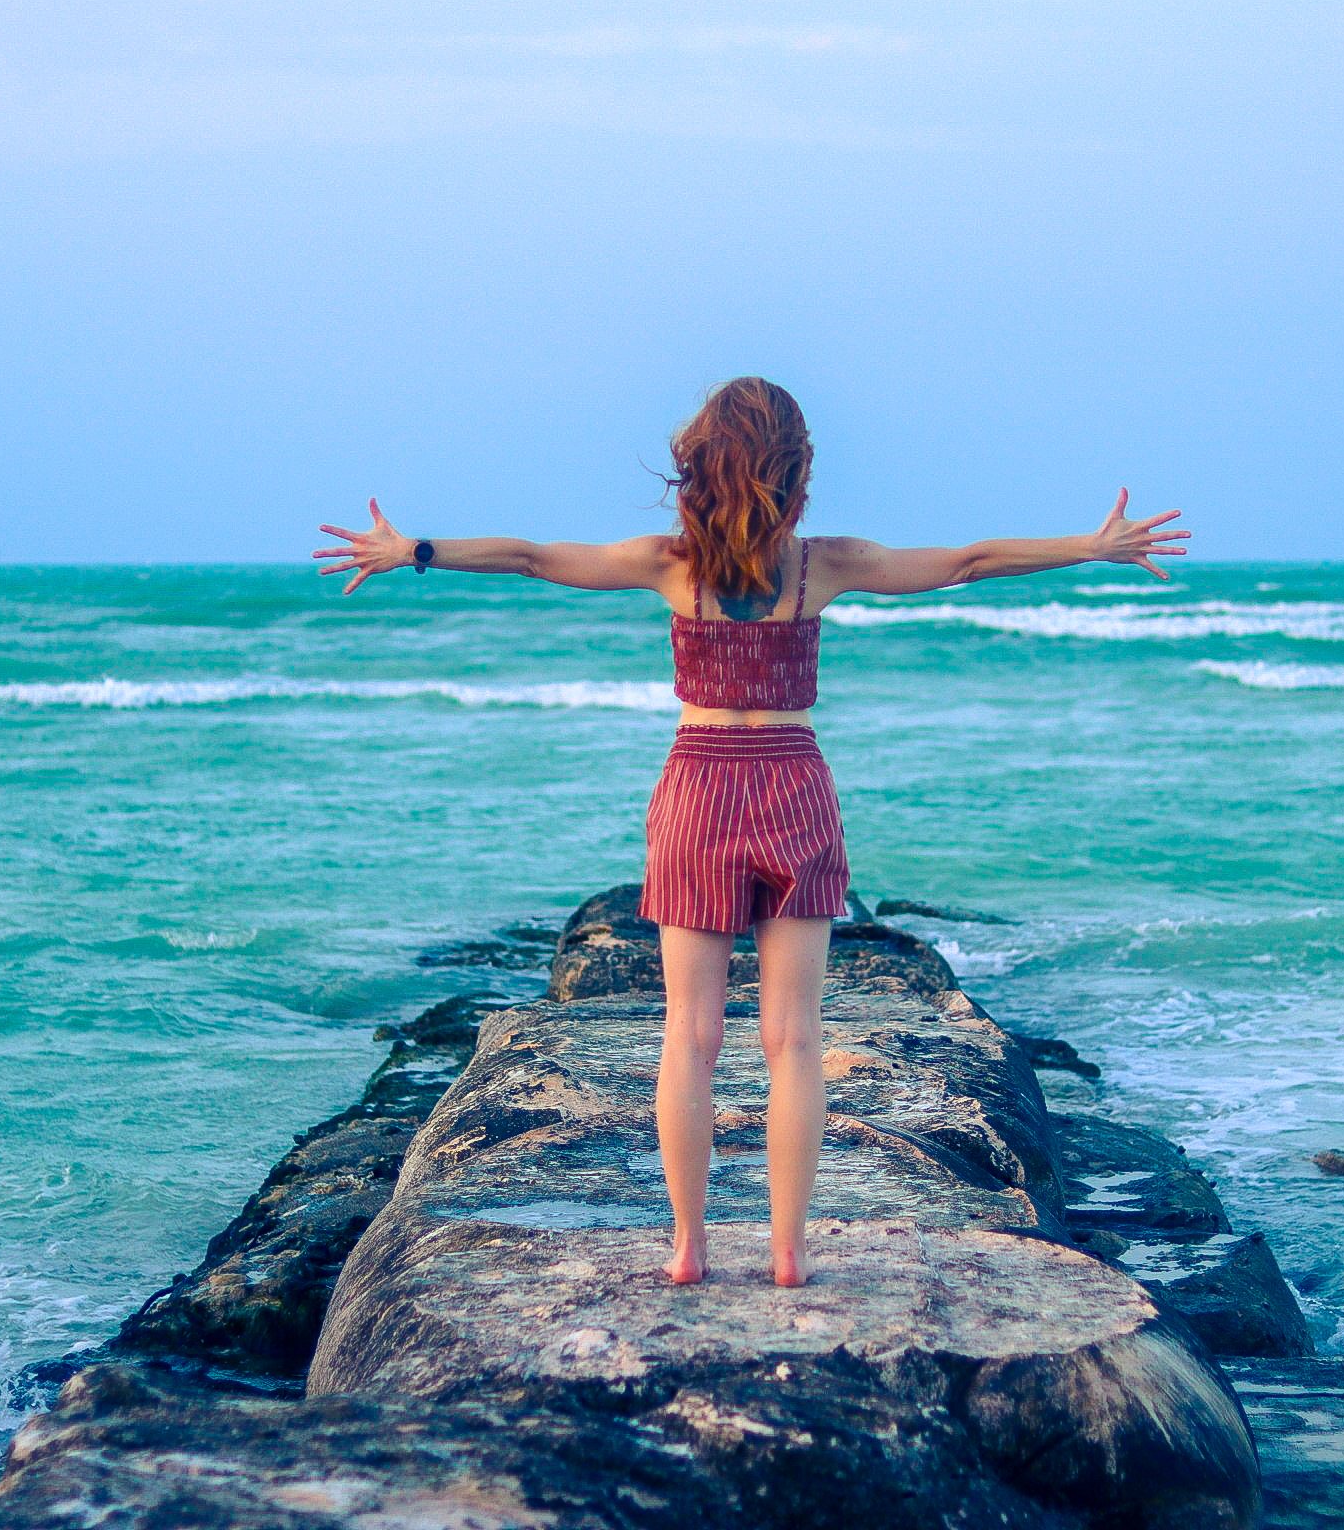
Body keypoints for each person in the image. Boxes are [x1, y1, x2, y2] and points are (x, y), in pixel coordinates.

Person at [313, 377, 1185, 1286]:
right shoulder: (824, 565)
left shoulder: (667, 563)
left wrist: (412, 548)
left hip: (698, 790)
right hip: (793, 790)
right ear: (797, 473)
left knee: (689, 1036)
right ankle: (786, 1253)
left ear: (699, 468)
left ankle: (689, 1247)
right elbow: (967, 561)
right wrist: (1091, 547)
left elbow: (533, 559)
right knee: (795, 1040)